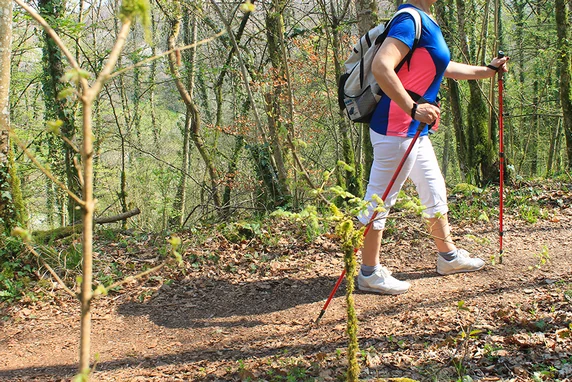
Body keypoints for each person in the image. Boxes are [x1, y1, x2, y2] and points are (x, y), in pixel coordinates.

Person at [356, 0, 509, 295]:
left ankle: (448, 257)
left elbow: (441, 66)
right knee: (379, 201)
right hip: (395, 128)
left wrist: (486, 71)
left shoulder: (426, 20)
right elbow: (381, 66)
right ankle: (369, 273)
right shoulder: (409, 20)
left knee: (433, 188)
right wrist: (413, 108)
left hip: (414, 129)